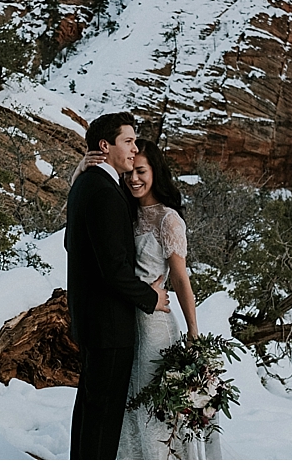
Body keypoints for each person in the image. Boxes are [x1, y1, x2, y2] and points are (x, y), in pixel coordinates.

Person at [73, 138, 221, 460]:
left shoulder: (168, 219)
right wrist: (79, 175)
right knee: (125, 410)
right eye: (129, 174)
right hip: (124, 323)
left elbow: (181, 279)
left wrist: (194, 331)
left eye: (141, 171)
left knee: (152, 407)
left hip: (155, 328)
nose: (134, 179)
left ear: (155, 171)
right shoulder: (124, 209)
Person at [64, 112, 171, 460]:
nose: (134, 148)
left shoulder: (85, 184)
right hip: (109, 325)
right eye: (128, 141)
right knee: (102, 419)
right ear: (105, 146)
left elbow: (72, 244)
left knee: (90, 411)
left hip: (93, 321)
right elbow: (114, 269)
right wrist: (150, 298)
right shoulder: (105, 192)